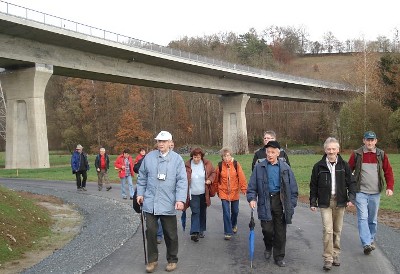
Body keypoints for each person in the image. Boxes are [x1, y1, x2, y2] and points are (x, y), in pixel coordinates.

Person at [136, 131, 188, 273]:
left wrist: (180, 199)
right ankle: (152, 261)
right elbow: (142, 177)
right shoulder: (149, 157)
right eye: (159, 141)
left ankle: (172, 260)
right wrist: (140, 193)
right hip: (150, 203)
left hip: (169, 203)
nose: (161, 144)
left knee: (170, 233)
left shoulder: (177, 159)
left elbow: (182, 181)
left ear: (170, 142)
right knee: (151, 231)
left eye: (163, 141)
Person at [247, 141, 298, 267]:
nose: (269, 155)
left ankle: (279, 256)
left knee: (280, 231)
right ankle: (268, 246)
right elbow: (252, 187)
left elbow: (293, 189)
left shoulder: (285, 168)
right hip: (265, 200)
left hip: (280, 201)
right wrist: (252, 198)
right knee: (267, 229)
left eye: (272, 152)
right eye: (268, 152)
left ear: (278, 153)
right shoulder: (259, 167)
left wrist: (291, 204)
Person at [310, 137, 356, 270]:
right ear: (325, 150)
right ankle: (328, 258)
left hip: (340, 202)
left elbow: (351, 183)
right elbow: (313, 185)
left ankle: (336, 254)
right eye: (328, 149)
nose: (331, 151)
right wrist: (313, 201)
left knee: (337, 231)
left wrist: (351, 198)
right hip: (325, 202)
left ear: (338, 150)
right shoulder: (318, 166)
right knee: (328, 230)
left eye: (333, 149)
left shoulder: (344, 165)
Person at [348, 131, 395, 255]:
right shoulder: (357, 154)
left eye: (372, 140)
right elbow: (348, 172)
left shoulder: (381, 155)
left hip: (375, 193)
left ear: (375, 141)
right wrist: (349, 191)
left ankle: (371, 239)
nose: (369, 142)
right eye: (367, 140)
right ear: (363, 141)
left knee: (372, 219)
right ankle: (366, 243)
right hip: (360, 192)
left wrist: (390, 187)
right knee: (363, 217)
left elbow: (388, 171)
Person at [212, 147, 247, 240]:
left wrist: (244, 188)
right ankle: (228, 232)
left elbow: (241, 176)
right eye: (224, 156)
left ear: (231, 156)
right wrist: (217, 190)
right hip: (223, 191)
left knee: (235, 211)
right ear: (222, 157)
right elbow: (216, 180)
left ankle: (233, 224)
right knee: (226, 212)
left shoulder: (236, 164)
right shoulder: (219, 166)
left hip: (234, 191)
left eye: (228, 155)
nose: (226, 157)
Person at [184, 147, 216, 242]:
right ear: (192, 157)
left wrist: (210, 180)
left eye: (198, 157)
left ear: (201, 157)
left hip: (204, 192)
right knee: (195, 212)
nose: (196, 159)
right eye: (194, 157)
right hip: (193, 193)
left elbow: (213, 173)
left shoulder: (207, 164)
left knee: (202, 211)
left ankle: (201, 229)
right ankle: (194, 232)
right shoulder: (187, 165)